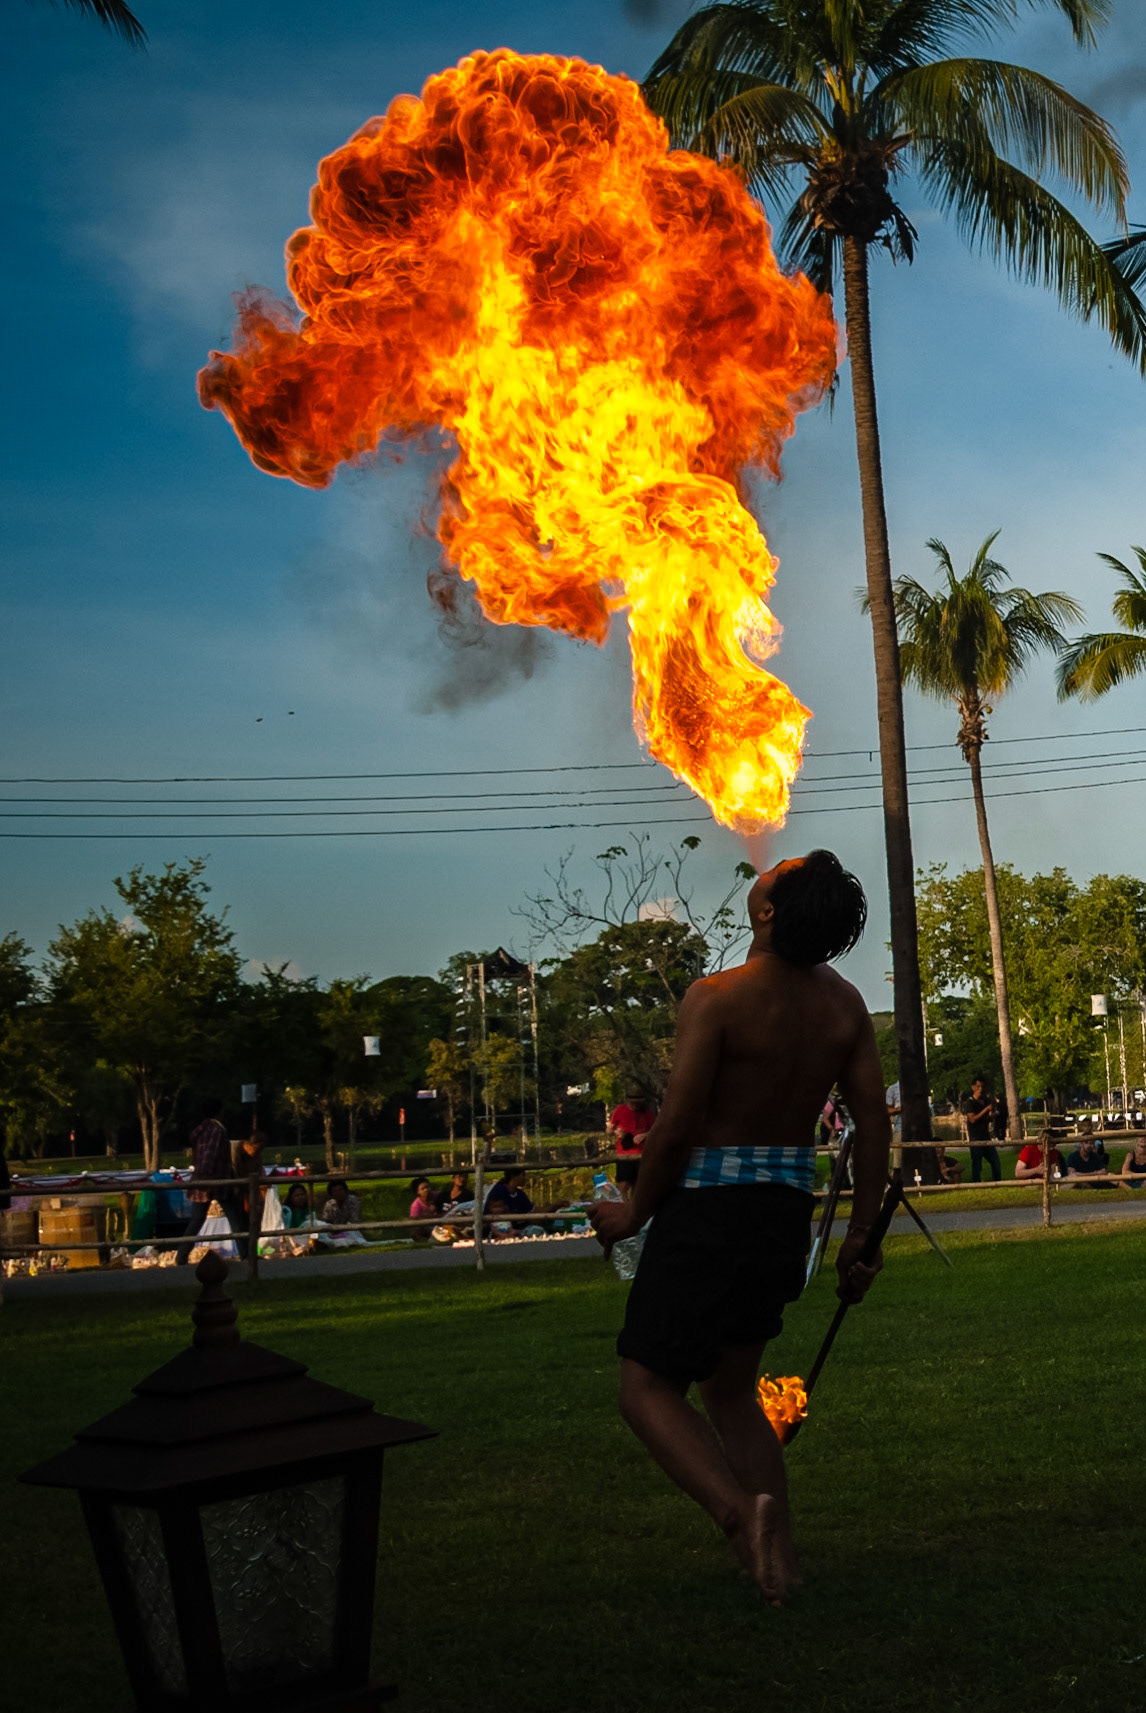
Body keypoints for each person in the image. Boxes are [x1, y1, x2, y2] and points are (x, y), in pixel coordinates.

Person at [589, 850, 889, 1606]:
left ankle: (734, 1513)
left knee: (645, 1386)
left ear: (764, 912)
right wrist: (858, 1237)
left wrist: (632, 1214)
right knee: (731, 1391)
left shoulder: (716, 997)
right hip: (781, 1216)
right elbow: (875, 1129)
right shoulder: (846, 1007)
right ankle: (779, 1564)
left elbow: (680, 1123)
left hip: (709, 1210)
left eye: (776, 870)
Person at [179, 1098, 234, 1265]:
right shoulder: (217, 1131)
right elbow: (209, 1156)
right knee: (236, 1217)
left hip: (203, 1180)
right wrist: (207, 1176)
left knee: (196, 1220)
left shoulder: (199, 1129)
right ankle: (247, 1255)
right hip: (216, 1181)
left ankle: (181, 1256)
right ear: (219, 1112)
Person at [609, 1088, 657, 1199]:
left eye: (638, 1104)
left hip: (641, 1154)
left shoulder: (647, 1112)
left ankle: (634, 1207)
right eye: (633, 1104)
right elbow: (610, 1129)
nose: (636, 1106)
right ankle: (624, 1206)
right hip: (624, 1154)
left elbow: (655, 1130)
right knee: (623, 1184)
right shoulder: (620, 1110)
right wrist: (616, 1131)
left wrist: (645, 1135)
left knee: (638, 1184)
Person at [964, 1077, 1001, 1183]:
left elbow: (991, 1116)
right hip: (975, 1137)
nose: (980, 1089)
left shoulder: (987, 1100)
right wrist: (986, 1110)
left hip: (986, 1136)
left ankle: (997, 1182)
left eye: (982, 1087)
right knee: (977, 1163)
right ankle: (976, 1183)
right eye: (978, 1086)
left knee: (995, 1161)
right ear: (973, 1087)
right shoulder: (970, 1103)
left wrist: (992, 1113)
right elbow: (972, 1119)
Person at [484, 1166, 534, 1237]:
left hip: (516, 1227)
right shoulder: (499, 1190)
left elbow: (530, 1211)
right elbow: (488, 1215)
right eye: (522, 1175)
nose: (524, 1178)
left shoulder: (520, 1194)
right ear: (513, 1177)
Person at [409, 1177, 438, 1241]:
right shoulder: (415, 1205)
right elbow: (414, 1221)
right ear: (417, 1192)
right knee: (415, 1232)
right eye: (423, 1189)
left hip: (441, 1223)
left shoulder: (438, 1196)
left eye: (427, 1187)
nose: (426, 1190)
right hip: (427, 1227)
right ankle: (428, 1241)